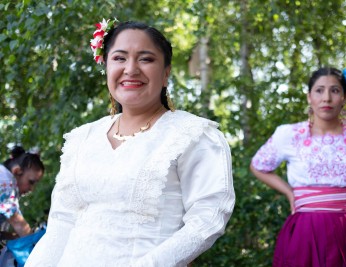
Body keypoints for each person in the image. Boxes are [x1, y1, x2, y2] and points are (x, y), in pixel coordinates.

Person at [26, 19, 235, 267]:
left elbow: (207, 220)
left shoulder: (192, 134)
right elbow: (61, 223)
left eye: (146, 59)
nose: (131, 69)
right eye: (120, 58)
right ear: (106, 66)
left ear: (166, 73)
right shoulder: (82, 138)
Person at [250, 67, 346, 267]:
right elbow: (258, 165)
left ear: (345, 97)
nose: (326, 98)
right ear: (309, 97)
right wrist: (289, 192)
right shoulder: (288, 135)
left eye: (335, 90)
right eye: (319, 90)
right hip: (306, 233)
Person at [0, 146, 44, 239]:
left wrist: (15, 237)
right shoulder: (4, 181)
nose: (31, 189)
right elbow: (17, 221)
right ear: (17, 171)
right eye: (31, 182)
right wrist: (35, 242)